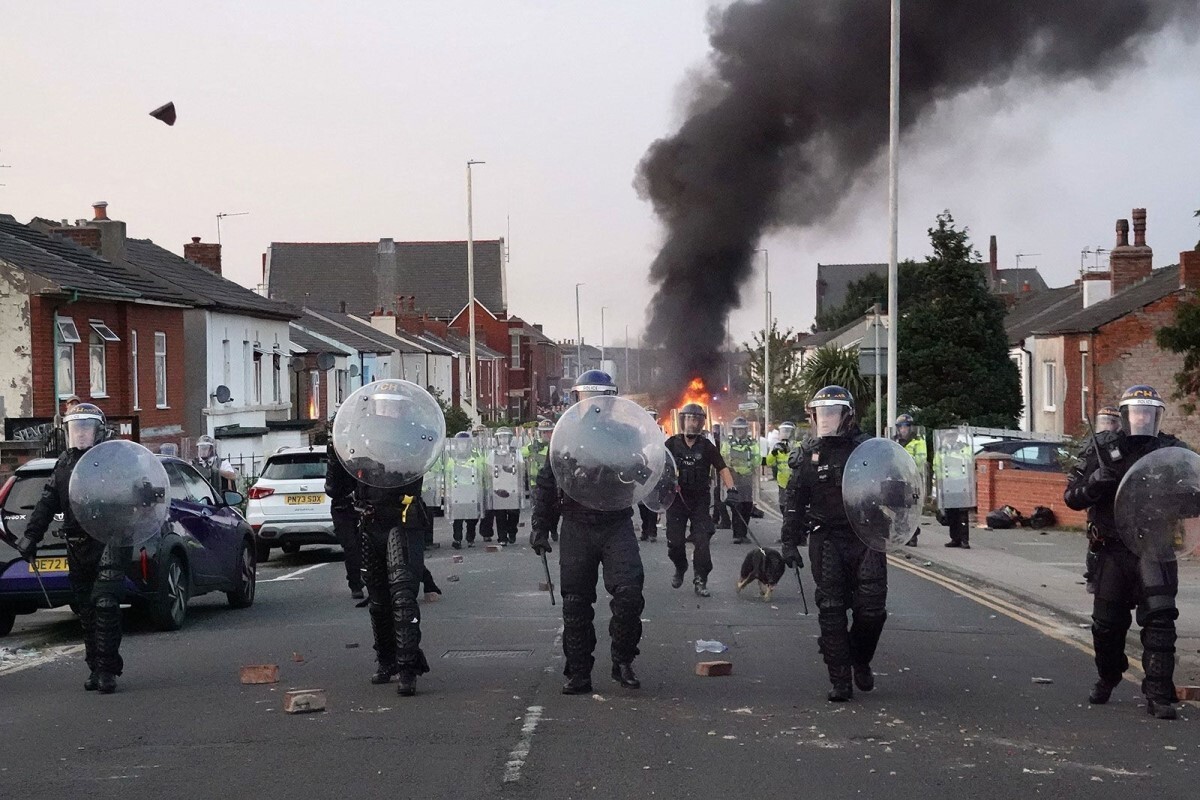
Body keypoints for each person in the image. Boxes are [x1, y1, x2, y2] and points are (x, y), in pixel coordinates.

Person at [1065, 385, 1186, 720]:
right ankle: (1109, 674)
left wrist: (1183, 494)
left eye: (1149, 412)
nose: (1143, 418)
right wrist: (1094, 486)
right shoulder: (1102, 449)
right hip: (1113, 550)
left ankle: (1159, 693)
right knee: (1106, 627)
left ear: (1158, 415)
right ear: (1124, 416)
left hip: (1154, 548)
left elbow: (1195, 493)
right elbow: (1071, 497)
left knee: (1160, 622)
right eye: (1137, 412)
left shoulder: (1171, 450)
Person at [530, 370, 645, 695]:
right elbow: (548, 481)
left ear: (612, 399)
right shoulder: (566, 434)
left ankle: (623, 660)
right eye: (587, 396)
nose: (594, 404)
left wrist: (637, 469)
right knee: (576, 603)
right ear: (576, 399)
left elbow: (641, 470)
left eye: (601, 397)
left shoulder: (626, 434)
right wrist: (541, 525)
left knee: (629, 594)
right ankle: (578, 671)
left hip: (615, 521)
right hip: (577, 523)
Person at [325, 387, 434, 697]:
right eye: (384, 406)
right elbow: (336, 489)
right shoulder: (360, 438)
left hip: (402, 521)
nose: (389, 411)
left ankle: (408, 666)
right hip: (370, 522)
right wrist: (335, 453)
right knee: (378, 599)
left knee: (403, 596)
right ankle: (386, 660)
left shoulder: (415, 436)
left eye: (395, 407)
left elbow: (416, 466)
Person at [14, 404, 128, 694]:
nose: (79, 435)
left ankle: (107, 670)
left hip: (109, 540)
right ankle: (94, 666)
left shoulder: (113, 459)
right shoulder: (63, 463)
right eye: (75, 429)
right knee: (87, 609)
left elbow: (132, 493)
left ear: (98, 431)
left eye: (85, 428)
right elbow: (47, 502)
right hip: (76, 543)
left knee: (105, 605)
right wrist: (31, 536)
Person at [781, 386, 884, 703]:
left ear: (848, 416)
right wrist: (789, 541)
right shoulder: (806, 456)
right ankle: (840, 680)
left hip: (865, 537)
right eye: (821, 413)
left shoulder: (868, 450)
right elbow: (795, 502)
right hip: (826, 538)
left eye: (832, 413)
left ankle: (860, 659)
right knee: (832, 610)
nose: (826, 420)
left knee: (872, 608)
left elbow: (891, 489)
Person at [665, 403, 737, 597]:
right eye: (689, 418)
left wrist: (732, 489)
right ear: (682, 421)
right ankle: (680, 567)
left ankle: (700, 579)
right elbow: (657, 465)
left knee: (702, 542)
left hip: (700, 501)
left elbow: (722, 468)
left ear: (701, 423)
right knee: (675, 543)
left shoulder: (707, 446)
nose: (692, 423)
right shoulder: (671, 444)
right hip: (676, 500)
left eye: (696, 419)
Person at [1082, 406, 1122, 592]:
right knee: (1096, 539)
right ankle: (1092, 574)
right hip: (1099, 500)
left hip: (1119, 497)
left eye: (1111, 422)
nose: (1107, 426)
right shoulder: (1090, 446)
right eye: (1104, 422)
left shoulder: (1120, 446)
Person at [327, 430, 364, 600]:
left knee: (374, 542)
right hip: (343, 507)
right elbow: (331, 488)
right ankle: (355, 584)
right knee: (351, 546)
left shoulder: (365, 457)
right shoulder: (336, 462)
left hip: (365, 506)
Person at [720, 416, 759, 544]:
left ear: (746, 430)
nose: (740, 432)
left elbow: (757, 459)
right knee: (736, 506)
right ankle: (737, 534)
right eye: (738, 430)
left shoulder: (752, 444)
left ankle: (744, 533)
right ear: (734, 430)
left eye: (742, 430)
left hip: (747, 478)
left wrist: (750, 467)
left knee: (747, 506)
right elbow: (723, 458)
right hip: (733, 477)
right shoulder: (727, 443)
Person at [445, 432, 484, 549]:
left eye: (465, 444)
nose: (463, 446)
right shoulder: (452, 458)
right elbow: (447, 474)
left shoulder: (476, 458)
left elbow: (481, 472)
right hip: (457, 491)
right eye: (460, 444)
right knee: (457, 518)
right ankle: (457, 539)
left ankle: (470, 538)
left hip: (471, 490)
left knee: (472, 518)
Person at [893, 414, 927, 547]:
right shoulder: (895, 441)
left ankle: (913, 536)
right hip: (898, 479)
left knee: (910, 509)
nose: (903, 430)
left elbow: (920, 461)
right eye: (900, 427)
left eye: (906, 427)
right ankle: (900, 534)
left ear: (910, 428)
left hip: (912, 480)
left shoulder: (918, 442)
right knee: (898, 508)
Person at [486, 427, 524, 546]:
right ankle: (502, 537)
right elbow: (488, 468)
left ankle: (512, 531)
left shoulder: (516, 452)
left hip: (512, 486)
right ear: (497, 439)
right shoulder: (493, 453)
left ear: (510, 438)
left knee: (514, 513)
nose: (503, 439)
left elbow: (521, 467)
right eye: (501, 437)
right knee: (500, 514)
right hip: (499, 487)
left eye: (505, 437)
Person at [523, 419, 558, 542]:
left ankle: (553, 529)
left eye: (549, 432)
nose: (547, 435)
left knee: (554, 510)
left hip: (553, 484)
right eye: (544, 433)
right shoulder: (534, 446)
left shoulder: (556, 446)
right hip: (535, 484)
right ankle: (539, 532)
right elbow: (520, 454)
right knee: (537, 509)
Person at [638, 407, 662, 543]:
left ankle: (652, 531)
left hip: (654, 467)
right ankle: (644, 529)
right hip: (641, 467)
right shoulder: (639, 431)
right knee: (641, 502)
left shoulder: (659, 431)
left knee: (652, 501)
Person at [709, 423, 733, 531]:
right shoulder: (723, 442)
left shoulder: (718, 444)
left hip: (723, 471)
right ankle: (716, 518)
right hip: (721, 471)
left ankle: (724, 520)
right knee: (717, 494)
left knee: (719, 496)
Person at [765, 421, 797, 489]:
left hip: (795, 483)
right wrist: (773, 453)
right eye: (783, 432)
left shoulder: (797, 446)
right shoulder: (777, 447)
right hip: (782, 483)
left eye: (787, 432)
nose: (785, 434)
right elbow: (769, 463)